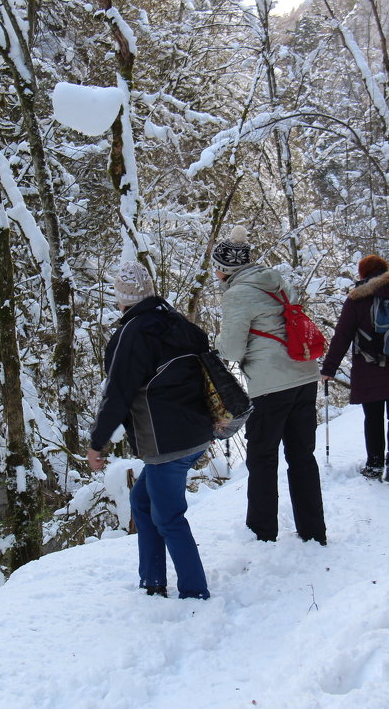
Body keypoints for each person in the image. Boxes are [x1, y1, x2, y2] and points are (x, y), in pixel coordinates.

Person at [88, 261, 212, 600]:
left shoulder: (132, 334)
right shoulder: (175, 321)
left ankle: (194, 594)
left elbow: (117, 393)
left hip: (167, 444)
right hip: (198, 433)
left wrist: (97, 443)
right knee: (142, 502)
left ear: (121, 298)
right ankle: (153, 581)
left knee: (169, 517)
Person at [211, 226, 326, 545]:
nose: (216, 273)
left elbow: (232, 350)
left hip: (271, 383)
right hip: (304, 374)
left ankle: (262, 534)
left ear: (226, 269)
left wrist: (215, 342)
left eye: (217, 267)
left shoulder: (237, 294)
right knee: (302, 454)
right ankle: (314, 531)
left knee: (262, 457)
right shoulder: (277, 281)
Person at [319, 255, 389, 483]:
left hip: (370, 367)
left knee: (373, 417)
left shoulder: (357, 299)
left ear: (363, 274)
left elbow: (343, 336)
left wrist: (329, 368)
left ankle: (374, 465)